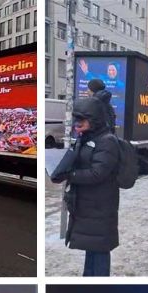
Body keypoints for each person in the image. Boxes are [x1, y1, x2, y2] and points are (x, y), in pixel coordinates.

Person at [56, 97, 121, 277]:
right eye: (76, 119)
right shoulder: (87, 138)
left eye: (81, 120)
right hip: (88, 204)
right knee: (92, 248)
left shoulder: (107, 141)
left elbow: (98, 173)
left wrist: (71, 175)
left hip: (100, 205)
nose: (78, 123)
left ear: (94, 120)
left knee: (99, 249)